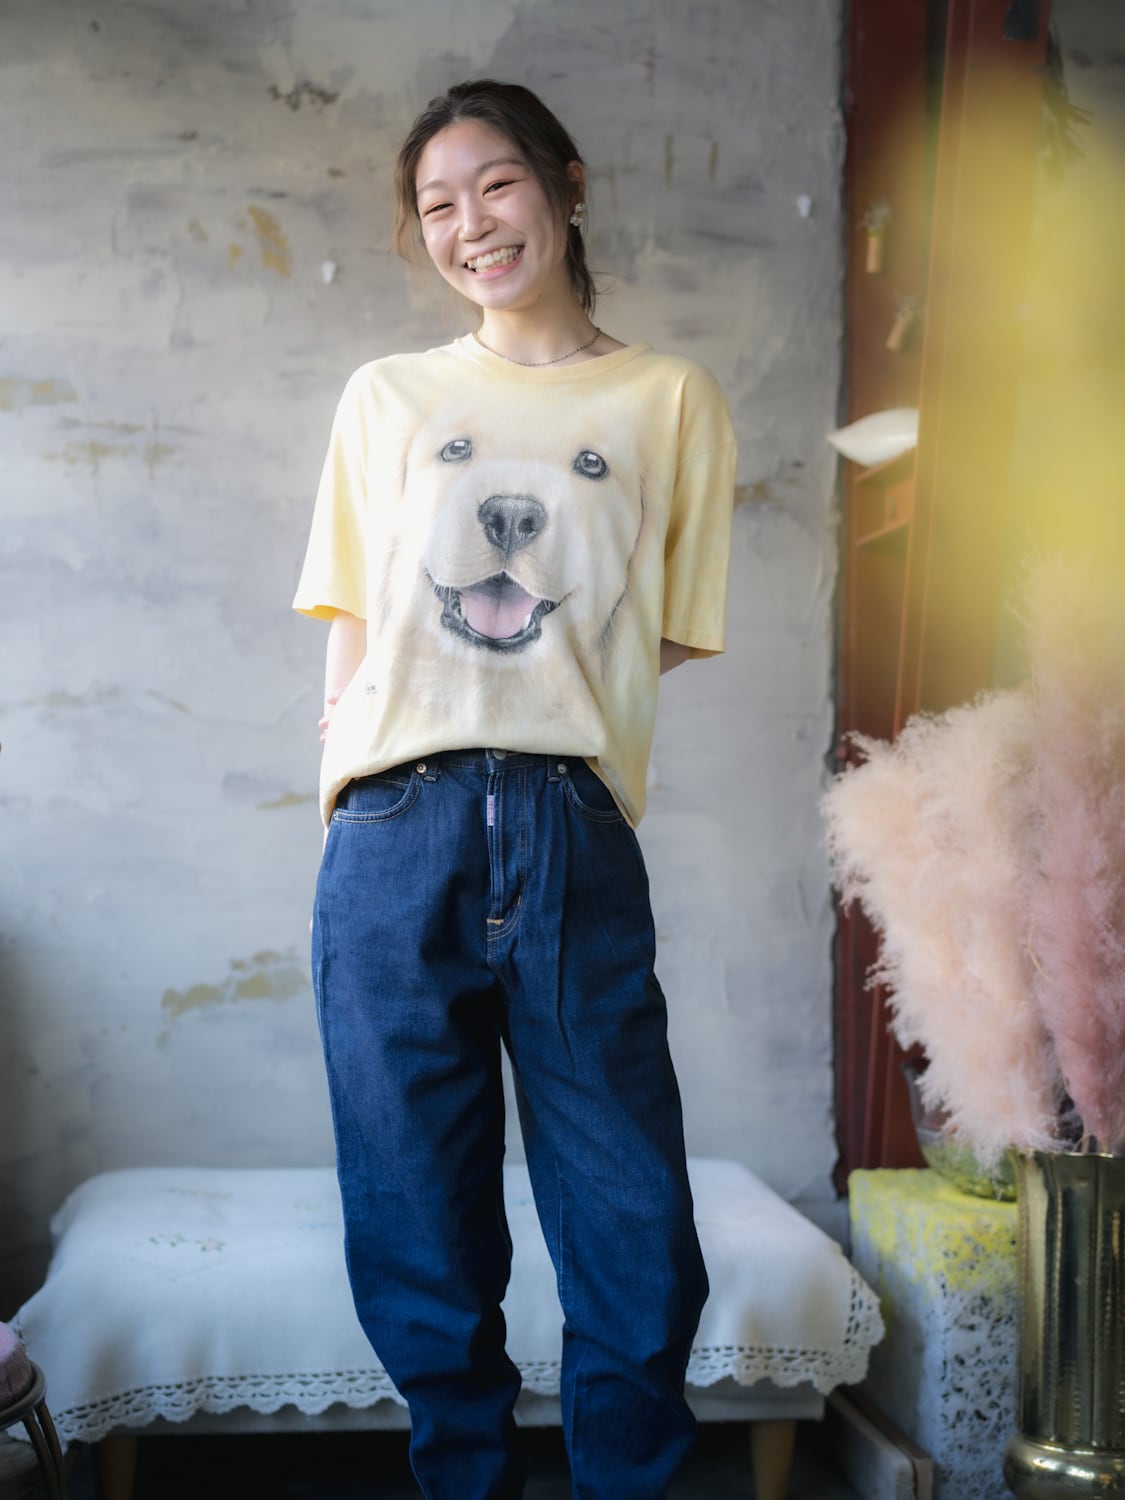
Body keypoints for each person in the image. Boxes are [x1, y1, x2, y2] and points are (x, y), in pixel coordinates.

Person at [293, 78, 737, 1500]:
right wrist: (348, 772)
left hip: (571, 826)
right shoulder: (388, 396)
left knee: (631, 1216)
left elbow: (664, 628)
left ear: (564, 182)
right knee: (415, 1214)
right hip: (391, 827)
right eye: (437, 204)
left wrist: (539, 701)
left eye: (494, 184)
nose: (469, 224)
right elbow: (352, 611)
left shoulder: (668, 398)